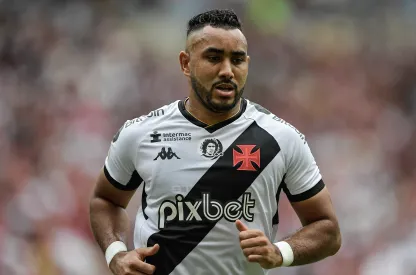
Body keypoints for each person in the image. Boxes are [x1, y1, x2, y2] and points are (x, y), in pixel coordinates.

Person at [89, 9, 341, 275]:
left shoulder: (280, 138)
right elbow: (105, 200)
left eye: (237, 60)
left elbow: (328, 229)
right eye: (214, 58)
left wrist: (280, 252)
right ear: (186, 63)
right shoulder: (140, 134)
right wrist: (115, 253)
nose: (227, 71)